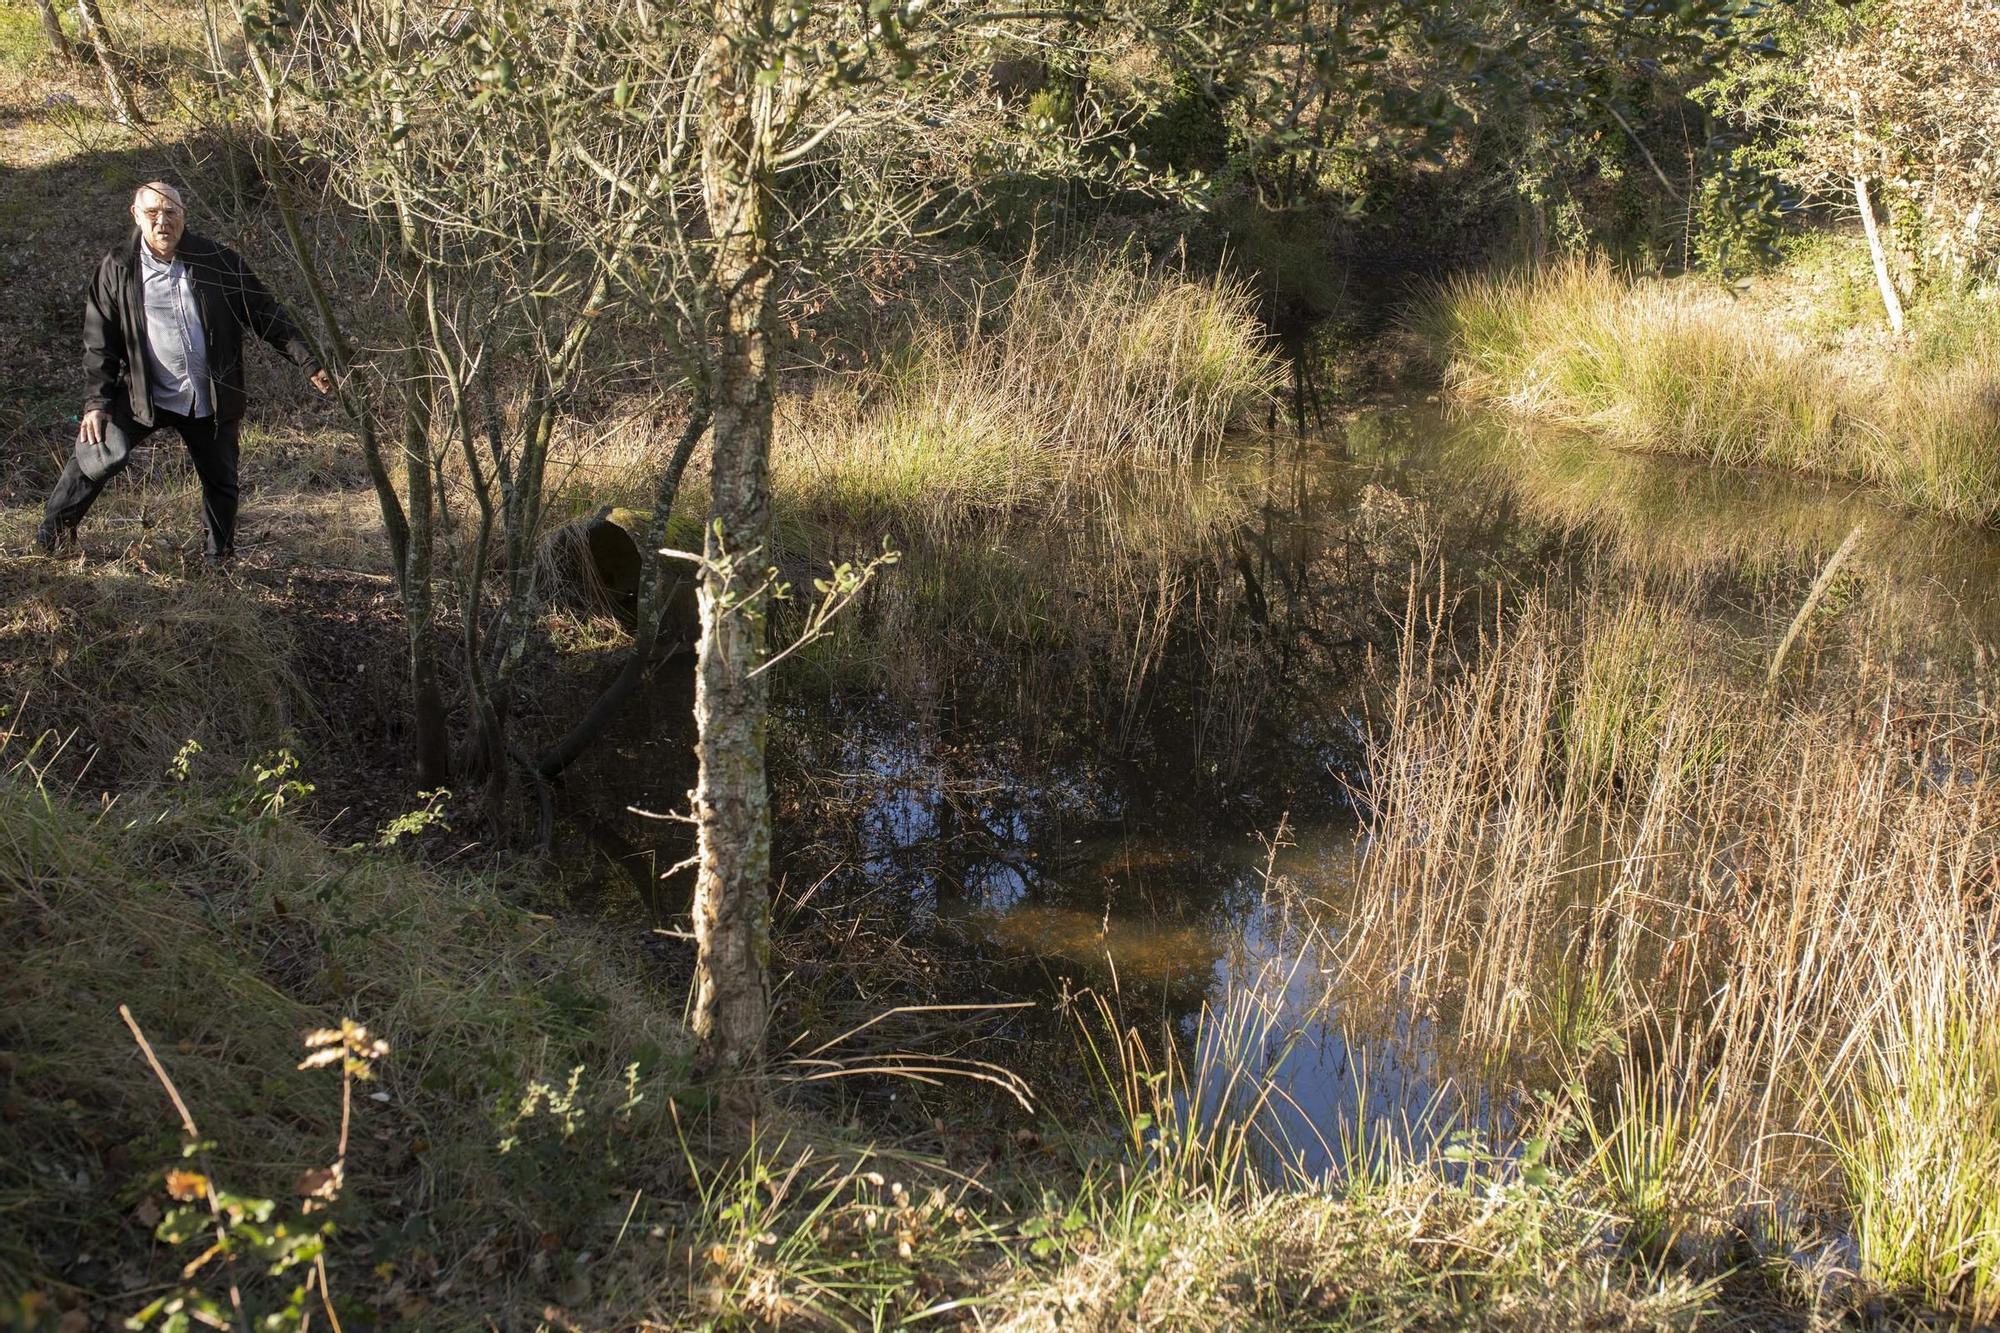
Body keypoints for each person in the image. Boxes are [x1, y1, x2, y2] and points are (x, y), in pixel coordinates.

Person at [35, 181, 333, 562]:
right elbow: (100, 342)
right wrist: (98, 401)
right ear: (136, 216)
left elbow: (264, 312)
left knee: (221, 482)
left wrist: (308, 360)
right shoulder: (118, 268)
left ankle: (219, 560)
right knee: (91, 456)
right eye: (153, 213)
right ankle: (51, 539)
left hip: (209, 394)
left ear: (183, 215)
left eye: (171, 212)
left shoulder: (218, 261)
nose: (163, 222)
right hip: (146, 392)